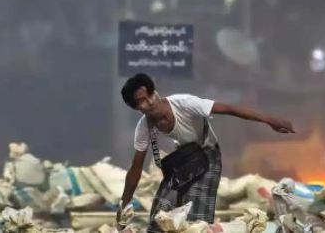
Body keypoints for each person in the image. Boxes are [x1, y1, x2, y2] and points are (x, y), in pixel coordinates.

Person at [116, 73, 294, 231]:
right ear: (136, 108)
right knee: (160, 215)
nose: (148, 103)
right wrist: (124, 204)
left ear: (155, 92)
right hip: (185, 160)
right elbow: (136, 167)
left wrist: (272, 120)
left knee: (196, 217)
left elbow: (230, 109)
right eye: (141, 102)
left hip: (208, 155)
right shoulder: (144, 127)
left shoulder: (184, 103)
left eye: (149, 96)